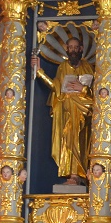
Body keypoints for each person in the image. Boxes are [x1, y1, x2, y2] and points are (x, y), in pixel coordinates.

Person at [33, 36, 94, 183]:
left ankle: (79, 174)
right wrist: (40, 72)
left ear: (81, 49)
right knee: (68, 140)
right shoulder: (63, 67)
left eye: (76, 47)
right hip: (66, 111)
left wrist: (83, 88)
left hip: (83, 111)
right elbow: (56, 87)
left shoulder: (88, 67)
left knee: (79, 140)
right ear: (67, 49)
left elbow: (98, 92)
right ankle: (72, 174)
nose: (73, 50)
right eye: (70, 47)